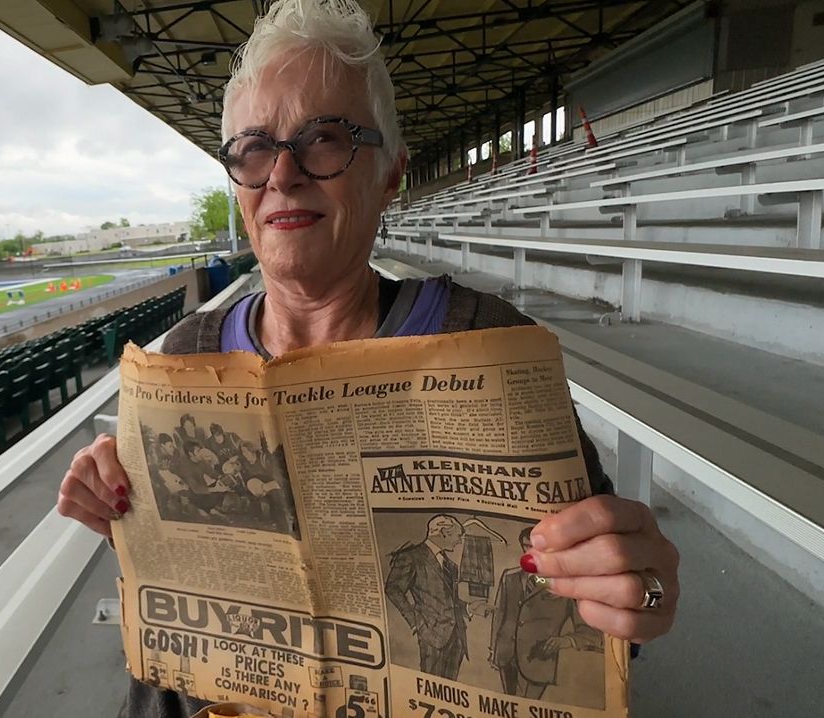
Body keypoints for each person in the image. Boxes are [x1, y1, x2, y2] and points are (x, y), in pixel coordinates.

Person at [55, 2, 680, 716]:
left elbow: (603, 621)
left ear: (390, 174)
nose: (282, 175)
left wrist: (644, 594)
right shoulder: (186, 359)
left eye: (324, 138)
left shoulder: (488, 344)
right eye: (253, 149)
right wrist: (120, 515)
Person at [490, 529, 603, 700]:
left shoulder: (565, 584)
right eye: (526, 546)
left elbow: (591, 631)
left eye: (536, 547)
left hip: (538, 659)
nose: (531, 552)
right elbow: (499, 615)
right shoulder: (509, 577)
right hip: (506, 656)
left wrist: (565, 641)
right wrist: (494, 649)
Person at [384, 515, 469, 681]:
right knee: (432, 686)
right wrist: (417, 623)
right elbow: (393, 589)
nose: (459, 541)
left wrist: (469, 608)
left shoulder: (451, 566)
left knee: (450, 689)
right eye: (458, 536)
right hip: (432, 635)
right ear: (444, 532)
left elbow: (448, 600)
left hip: (457, 638)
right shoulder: (412, 556)